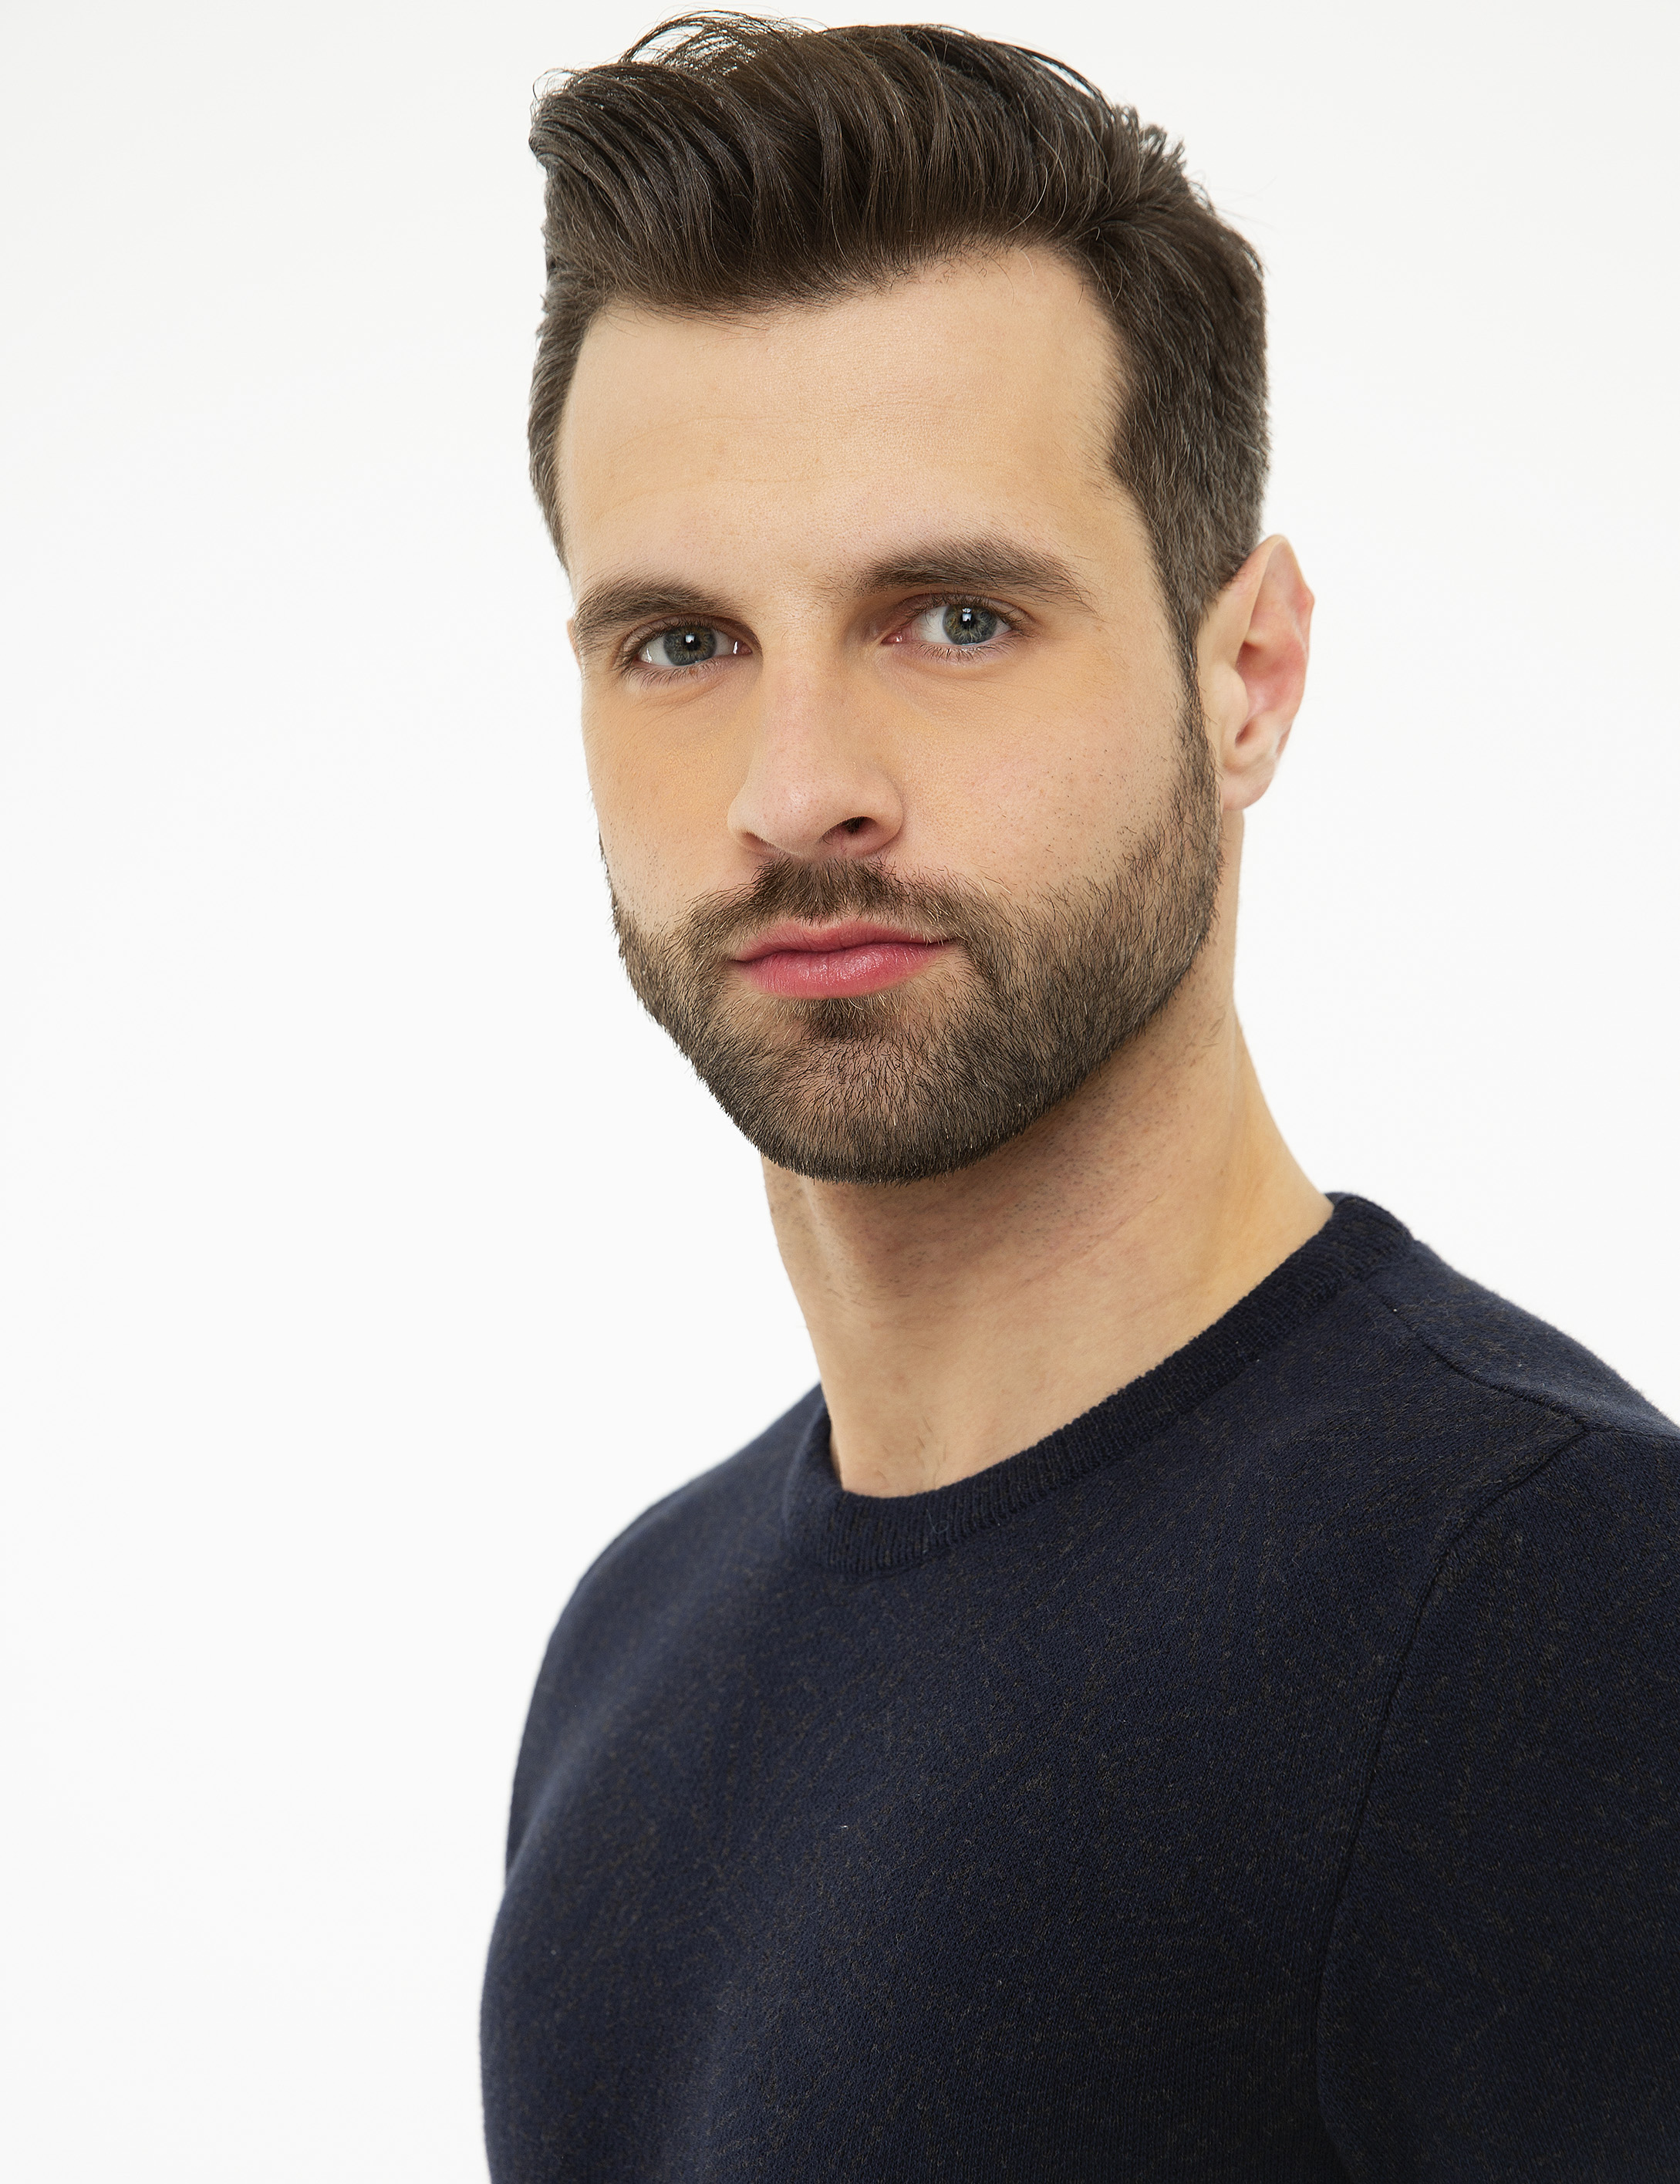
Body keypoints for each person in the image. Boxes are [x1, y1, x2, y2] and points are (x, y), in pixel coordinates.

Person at [481, 17, 1679, 2179]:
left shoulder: (1556, 1616)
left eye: (953, 618)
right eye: (680, 643)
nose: (794, 791)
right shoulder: (633, 1654)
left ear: (1248, 676)